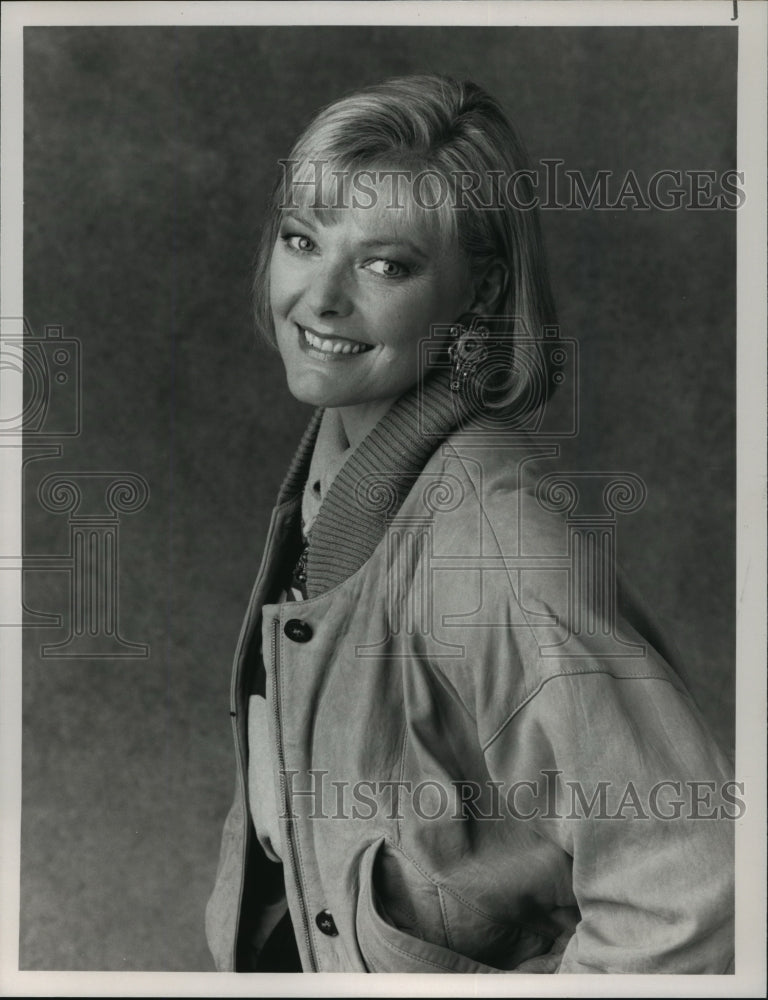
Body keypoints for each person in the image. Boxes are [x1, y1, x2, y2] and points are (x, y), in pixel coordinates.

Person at [206, 74, 735, 975]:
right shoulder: (335, 473)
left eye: (385, 264)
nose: (322, 298)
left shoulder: (495, 545)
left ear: (480, 294)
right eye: (303, 240)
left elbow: (693, 891)